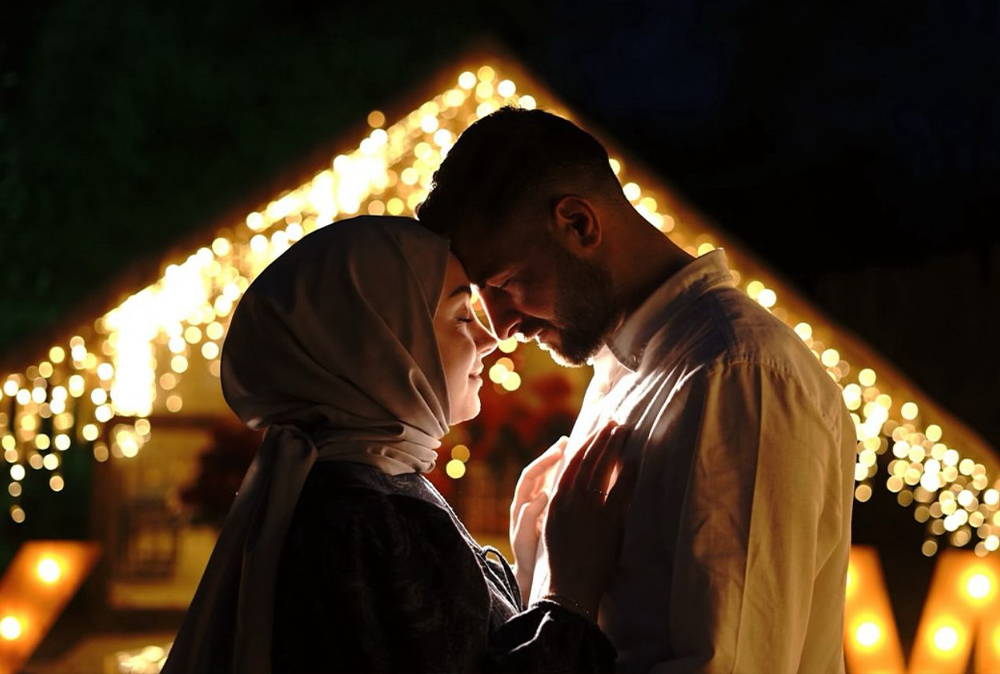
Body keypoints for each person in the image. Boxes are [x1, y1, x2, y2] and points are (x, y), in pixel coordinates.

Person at [417, 107, 857, 673]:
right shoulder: (629, 371)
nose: (500, 328)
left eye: (504, 283)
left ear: (578, 224)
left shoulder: (737, 375)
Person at [160, 216, 635, 674]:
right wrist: (570, 593)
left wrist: (528, 572)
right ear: (380, 345)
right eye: (459, 316)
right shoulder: (366, 518)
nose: (488, 343)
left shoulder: (355, 492)